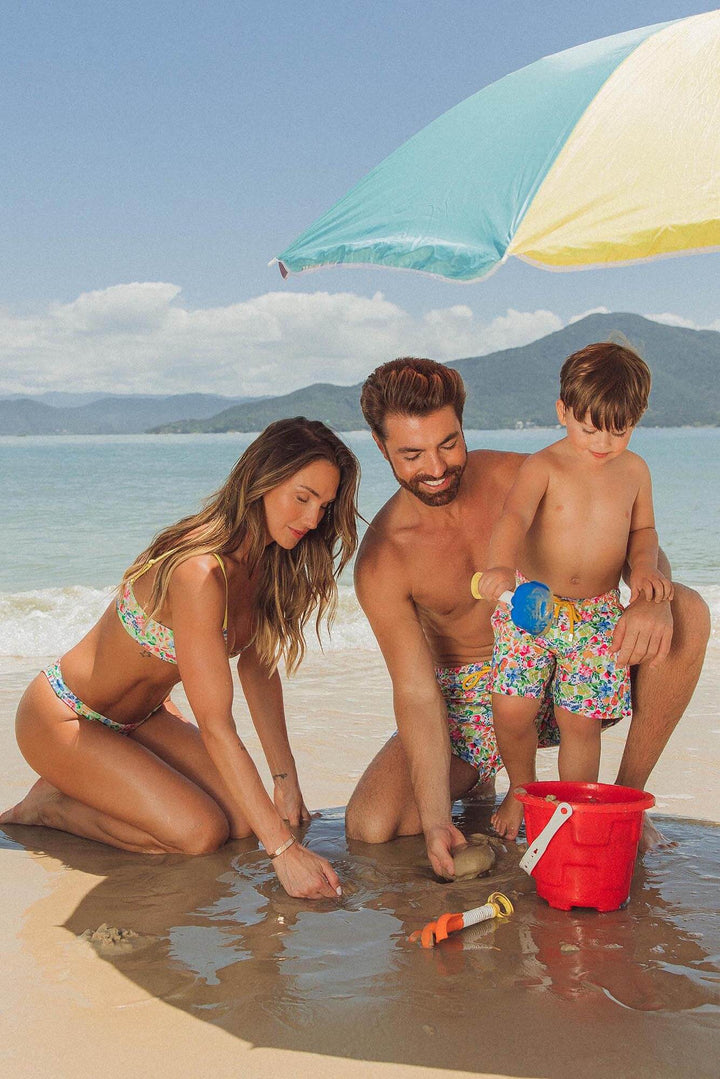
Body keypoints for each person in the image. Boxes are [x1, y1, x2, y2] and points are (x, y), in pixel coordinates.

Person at [345, 357, 709, 879]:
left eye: (449, 443)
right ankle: (493, 781)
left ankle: (621, 804)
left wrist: (651, 598)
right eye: (411, 454)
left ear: (463, 426)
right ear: (381, 448)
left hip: (574, 653)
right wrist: (432, 819)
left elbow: (630, 534)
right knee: (372, 824)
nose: (436, 467)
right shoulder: (383, 559)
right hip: (478, 698)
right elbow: (417, 691)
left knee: (686, 612)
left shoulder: (523, 472)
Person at [1, 417, 359, 901]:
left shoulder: (266, 563)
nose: (314, 519)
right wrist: (284, 853)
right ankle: (48, 806)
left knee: (238, 823)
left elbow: (258, 671)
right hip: (65, 717)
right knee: (199, 833)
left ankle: (98, 784)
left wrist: (285, 782)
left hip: (144, 719)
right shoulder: (199, 572)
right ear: (262, 480)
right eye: (303, 497)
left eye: (325, 505)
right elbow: (216, 725)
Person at [479, 343, 673, 839]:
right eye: (590, 429)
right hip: (532, 606)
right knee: (512, 706)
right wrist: (500, 565)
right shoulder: (544, 466)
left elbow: (642, 533)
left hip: (596, 615)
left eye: (620, 430)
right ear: (563, 411)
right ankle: (523, 792)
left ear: (637, 419)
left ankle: (574, 806)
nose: (604, 443)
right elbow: (514, 517)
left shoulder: (636, 472)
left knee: (579, 719)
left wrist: (647, 567)